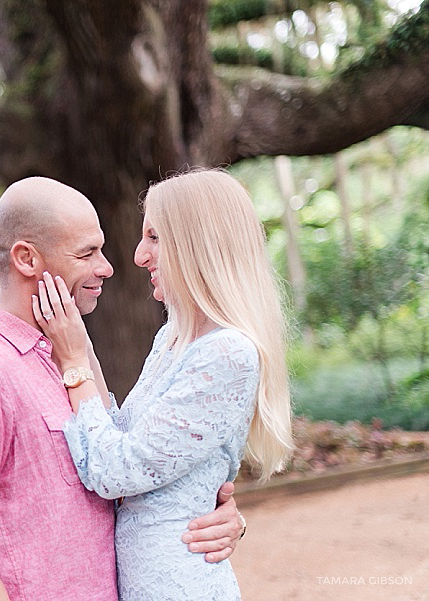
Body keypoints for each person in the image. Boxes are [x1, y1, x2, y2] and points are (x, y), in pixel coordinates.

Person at [0, 176, 246, 601]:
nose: (107, 267)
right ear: (26, 259)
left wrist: (213, 513)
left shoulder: (66, 363)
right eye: (87, 253)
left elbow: (123, 470)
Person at [32, 168, 294, 600]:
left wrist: (74, 360)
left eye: (154, 237)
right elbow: (119, 438)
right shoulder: (173, 338)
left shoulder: (227, 353)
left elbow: (115, 471)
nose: (138, 255)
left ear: (199, 245)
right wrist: (80, 344)